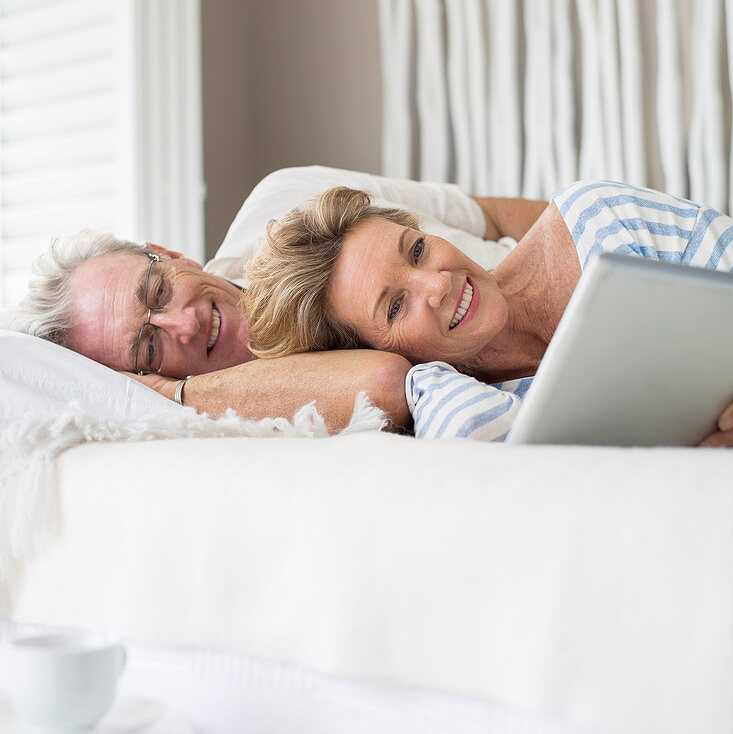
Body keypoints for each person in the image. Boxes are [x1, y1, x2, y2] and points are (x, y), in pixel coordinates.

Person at [14, 166, 536, 432]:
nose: (183, 324)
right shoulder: (260, 414)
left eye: (157, 291)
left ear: (171, 255)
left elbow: (490, 216)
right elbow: (382, 383)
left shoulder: (287, 196)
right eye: (149, 347)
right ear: (140, 379)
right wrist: (171, 397)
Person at [244, 180, 733, 448]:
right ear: (368, 352)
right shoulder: (455, 406)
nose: (438, 284)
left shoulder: (598, 219)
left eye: (416, 250)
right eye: (395, 306)